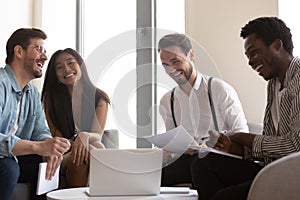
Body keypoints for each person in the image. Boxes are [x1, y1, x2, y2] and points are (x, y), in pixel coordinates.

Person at [191, 16, 300, 200]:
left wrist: (241, 136)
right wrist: (235, 148)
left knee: (224, 197)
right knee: (203, 163)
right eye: (248, 56)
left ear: (277, 46)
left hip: (293, 176)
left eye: (254, 52)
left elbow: (295, 146)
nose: (250, 61)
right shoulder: (273, 84)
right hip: (273, 170)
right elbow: (272, 146)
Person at [158, 33, 249, 187]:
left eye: (175, 61)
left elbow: (242, 133)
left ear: (191, 55)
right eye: (165, 65)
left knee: (200, 163)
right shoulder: (168, 100)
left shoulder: (219, 89)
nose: (171, 69)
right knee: (153, 175)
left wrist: (209, 146)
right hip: (187, 161)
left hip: (218, 161)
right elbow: (172, 144)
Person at [0, 28, 71, 200]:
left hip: (14, 157)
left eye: (45, 51)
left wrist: (49, 147)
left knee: (48, 166)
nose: (45, 57)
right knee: (9, 168)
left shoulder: (32, 92)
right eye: (39, 49)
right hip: (5, 158)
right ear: (19, 52)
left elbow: (40, 130)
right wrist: (37, 147)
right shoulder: (1, 84)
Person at [41, 48, 110, 188]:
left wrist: (84, 136)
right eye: (59, 67)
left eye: (71, 63)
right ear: (56, 77)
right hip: (64, 153)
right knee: (84, 155)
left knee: (96, 146)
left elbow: (97, 135)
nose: (66, 69)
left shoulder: (99, 98)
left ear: (81, 67)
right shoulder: (51, 101)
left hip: (92, 149)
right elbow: (58, 141)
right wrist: (79, 145)